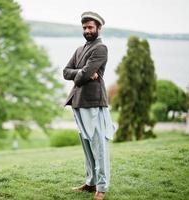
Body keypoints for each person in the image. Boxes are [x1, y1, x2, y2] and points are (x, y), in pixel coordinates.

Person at [63, 11, 115, 200]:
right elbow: (65, 72)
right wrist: (83, 72)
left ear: (99, 28)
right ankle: (91, 182)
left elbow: (82, 75)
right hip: (78, 101)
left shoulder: (101, 48)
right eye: (84, 27)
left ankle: (101, 187)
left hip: (93, 102)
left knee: (98, 146)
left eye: (90, 27)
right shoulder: (79, 49)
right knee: (86, 145)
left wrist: (83, 73)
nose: (87, 30)